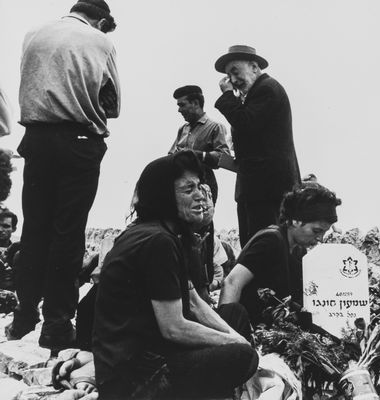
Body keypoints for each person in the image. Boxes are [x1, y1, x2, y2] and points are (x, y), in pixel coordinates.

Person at [93, 151, 258, 399]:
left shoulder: (159, 233)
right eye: (188, 189)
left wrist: (235, 338)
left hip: (149, 355)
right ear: (164, 196)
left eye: (199, 187)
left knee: (234, 316)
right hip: (136, 379)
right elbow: (174, 328)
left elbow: (193, 301)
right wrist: (236, 345)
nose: (200, 195)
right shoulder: (158, 241)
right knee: (241, 356)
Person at [7, 0, 120, 352]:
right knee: (68, 232)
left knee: (35, 226)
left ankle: (25, 314)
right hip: (78, 141)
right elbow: (113, 104)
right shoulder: (100, 41)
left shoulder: (33, 34)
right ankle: (56, 323)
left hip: (37, 140)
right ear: (100, 21)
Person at [214, 45, 301, 247]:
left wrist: (227, 96)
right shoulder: (254, 94)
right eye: (228, 76)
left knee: (264, 250)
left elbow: (245, 122)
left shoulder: (267, 89)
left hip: (267, 191)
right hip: (257, 189)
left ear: (254, 67)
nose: (233, 81)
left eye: (235, 72)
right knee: (254, 248)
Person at [219, 182, 341, 326]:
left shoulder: (299, 251)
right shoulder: (271, 240)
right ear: (296, 220)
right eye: (316, 231)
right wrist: (227, 331)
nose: (320, 238)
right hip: (247, 327)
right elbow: (232, 282)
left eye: (324, 232)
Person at [169, 85, 230, 203]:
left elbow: (224, 157)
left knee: (203, 219)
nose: (179, 110)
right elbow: (171, 154)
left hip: (204, 184)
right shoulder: (183, 129)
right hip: (182, 184)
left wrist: (197, 155)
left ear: (196, 103)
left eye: (182, 105)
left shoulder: (216, 127)